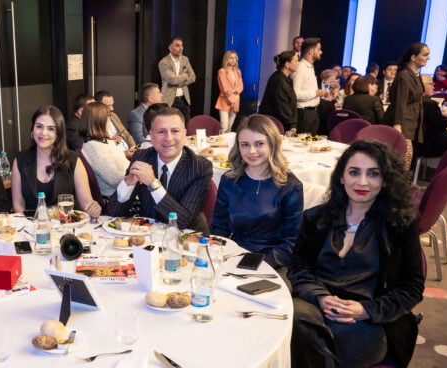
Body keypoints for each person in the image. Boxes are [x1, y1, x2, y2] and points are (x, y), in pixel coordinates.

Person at [287, 140, 423, 368]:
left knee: (294, 364)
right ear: (341, 176)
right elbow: (299, 268)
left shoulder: (399, 225)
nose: (362, 182)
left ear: (385, 179)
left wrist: (366, 310)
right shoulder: (316, 218)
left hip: (366, 324)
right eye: (354, 172)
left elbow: (413, 286)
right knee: (295, 323)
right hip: (313, 311)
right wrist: (321, 296)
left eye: (373, 173)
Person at [211, 115, 302, 269]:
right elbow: (219, 227)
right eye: (245, 145)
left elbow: (291, 243)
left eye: (259, 144)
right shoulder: (229, 180)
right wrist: (217, 255)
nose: (251, 151)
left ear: (272, 144)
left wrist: (256, 265)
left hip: (273, 263)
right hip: (233, 257)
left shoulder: (290, 186)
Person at [108, 107, 212, 232]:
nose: (168, 138)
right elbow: (114, 212)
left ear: (184, 134)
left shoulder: (199, 167)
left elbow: (182, 221)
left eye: (175, 131)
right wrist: (128, 183)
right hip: (147, 236)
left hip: (188, 239)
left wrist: (153, 183)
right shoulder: (142, 157)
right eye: (161, 132)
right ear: (151, 136)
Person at [11, 105, 102, 218]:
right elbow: (18, 204)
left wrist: (94, 209)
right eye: (39, 126)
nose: (43, 133)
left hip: (65, 225)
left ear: (58, 134)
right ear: (32, 130)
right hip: (31, 225)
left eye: (51, 129)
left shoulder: (73, 160)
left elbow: (86, 203)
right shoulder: (20, 160)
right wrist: (30, 225)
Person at [80, 102, 131, 202]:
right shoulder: (93, 148)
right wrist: (137, 174)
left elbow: (125, 167)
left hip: (125, 193)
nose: (110, 120)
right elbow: (115, 179)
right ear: (99, 121)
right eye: (108, 117)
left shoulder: (106, 142)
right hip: (116, 200)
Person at [384, 42, 429, 150]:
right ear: (413, 57)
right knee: (400, 153)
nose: (428, 58)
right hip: (404, 122)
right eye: (425, 55)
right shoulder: (404, 76)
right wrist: (397, 125)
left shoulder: (415, 74)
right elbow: (400, 102)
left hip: (412, 121)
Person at [291, 38, 328, 134]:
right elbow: (295, 94)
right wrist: (316, 93)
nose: (321, 52)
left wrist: (320, 94)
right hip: (303, 113)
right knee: (301, 142)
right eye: (318, 49)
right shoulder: (301, 68)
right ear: (311, 51)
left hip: (312, 112)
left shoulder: (310, 67)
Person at [259, 50, 299, 133]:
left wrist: (293, 123)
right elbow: (282, 105)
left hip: (282, 122)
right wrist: (292, 124)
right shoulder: (278, 80)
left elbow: (291, 103)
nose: (298, 63)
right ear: (287, 64)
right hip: (273, 124)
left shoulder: (287, 79)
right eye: (296, 61)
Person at [159, 36, 196, 123]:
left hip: (183, 99)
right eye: (177, 45)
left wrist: (179, 83)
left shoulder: (185, 59)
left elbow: (193, 77)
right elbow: (172, 80)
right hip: (169, 100)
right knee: (169, 124)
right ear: (170, 47)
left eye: (181, 46)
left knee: (186, 125)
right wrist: (185, 75)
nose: (180, 48)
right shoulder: (164, 62)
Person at [94, 90, 138, 159]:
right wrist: (112, 142)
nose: (112, 108)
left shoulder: (113, 115)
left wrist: (134, 148)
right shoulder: (94, 123)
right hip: (116, 156)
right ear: (98, 106)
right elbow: (103, 150)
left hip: (129, 152)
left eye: (112, 105)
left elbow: (126, 134)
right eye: (108, 106)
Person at [420, 75, 447, 157]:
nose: (433, 87)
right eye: (431, 84)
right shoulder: (429, 104)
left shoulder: (414, 101)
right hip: (434, 143)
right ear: (422, 85)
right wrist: (445, 117)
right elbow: (442, 124)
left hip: (421, 141)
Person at [215, 50, 244, 132]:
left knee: (230, 127)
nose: (233, 60)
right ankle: (221, 140)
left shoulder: (238, 71)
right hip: (225, 101)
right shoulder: (222, 71)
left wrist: (234, 90)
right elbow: (225, 89)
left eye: (235, 58)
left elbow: (241, 87)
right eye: (231, 58)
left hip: (235, 102)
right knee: (224, 127)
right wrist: (235, 91)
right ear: (226, 59)